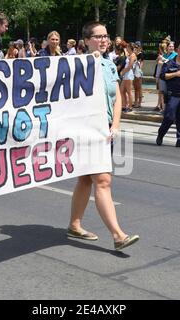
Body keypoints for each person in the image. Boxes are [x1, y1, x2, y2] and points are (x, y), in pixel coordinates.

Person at [67, 21, 139, 251]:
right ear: (86, 41)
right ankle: (118, 235)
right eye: (98, 37)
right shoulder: (76, 65)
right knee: (103, 180)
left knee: (86, 179)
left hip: (106, 129)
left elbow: (117, 96)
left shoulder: (108, 65)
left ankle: (74, 224)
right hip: (87, 132)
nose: (103, 40)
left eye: (105, 36)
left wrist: (116, 124)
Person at [156, 44, 180, 149]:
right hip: (172, 95)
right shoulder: (169, 63)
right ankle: (161, 134)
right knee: (169, 117)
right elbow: (163, 76)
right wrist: (175, 74)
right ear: (178, 51)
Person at [120, 42, 137, 113]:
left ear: (130, 48)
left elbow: (130, 66)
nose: (126, 48)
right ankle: (124, 105)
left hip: (128, 74)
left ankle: (130, 106)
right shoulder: (130, 55)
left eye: (127, 47)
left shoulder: (133, 55)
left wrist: (122, 72)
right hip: (126, 75)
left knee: (129, 91)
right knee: (122, 91)